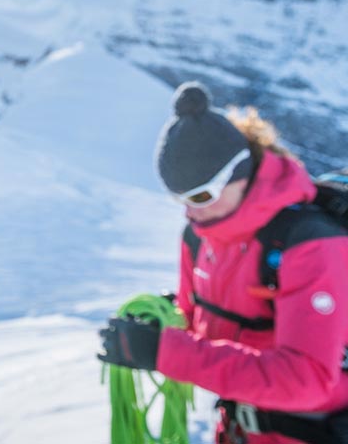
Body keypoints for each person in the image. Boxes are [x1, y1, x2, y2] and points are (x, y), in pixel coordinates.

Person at [98, 81, 348, 443]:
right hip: (237, 428)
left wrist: (165, 352)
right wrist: (156, 328)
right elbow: (199, 327)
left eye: (201, 195)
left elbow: (305, 380)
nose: (190, 211)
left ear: (240, 174)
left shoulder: (309, 244)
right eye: (179, 198)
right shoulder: (200, 235)